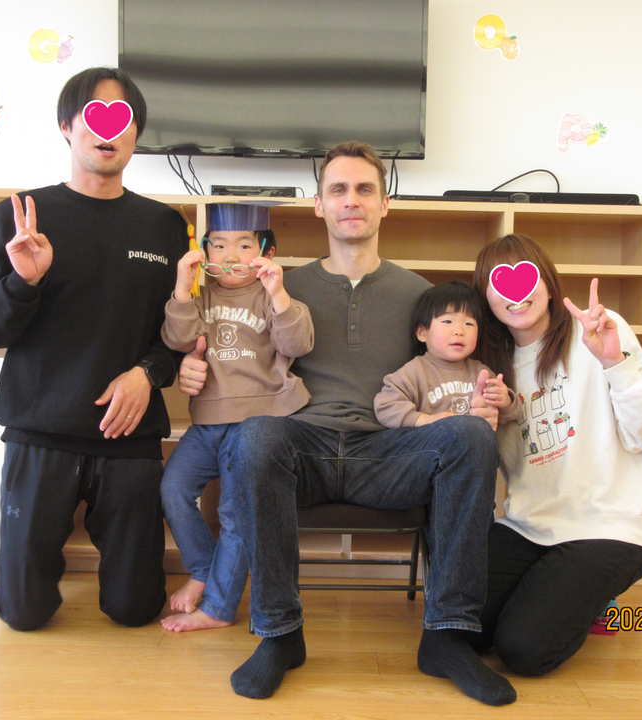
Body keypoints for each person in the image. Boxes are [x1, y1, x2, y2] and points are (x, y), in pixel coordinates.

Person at [178, 141, 517, 706]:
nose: (351, 200)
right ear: (319, 205)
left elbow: (454, 368)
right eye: (338, 189)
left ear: (385, 204)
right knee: (256, 435)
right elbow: (230, 349)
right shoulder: (280, 286)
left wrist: (483, 402)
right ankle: (279, 635)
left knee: (470, 436)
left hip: (390, 453)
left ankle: (448, 636)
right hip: (302, 446)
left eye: (364, 189)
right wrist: (193, 368)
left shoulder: (420, 295)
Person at [0, 67, 189, 631]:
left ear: (136, 134)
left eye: (122, 119)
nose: (109, 131)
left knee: (136, 610)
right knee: (22, 614)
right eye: (94, 115)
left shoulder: (164, 226)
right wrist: (23, 282)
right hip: (40, 435)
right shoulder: (20, 216)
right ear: (67, 126)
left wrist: (146, 372)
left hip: (129, 439)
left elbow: (178, 335)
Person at [471, 233, 642, 675]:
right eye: (499, 282)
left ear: (548, 285)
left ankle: (595, 601)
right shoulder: (491, 365)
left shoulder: (599, 333)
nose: (516, 292)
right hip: (531, 523)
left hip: (611, 524)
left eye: (526, 276)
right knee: (462, 627)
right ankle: (567, 592)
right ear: (485, 298)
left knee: (522, 650)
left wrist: (614, 362)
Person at [159, 203, 313, 632]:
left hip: (256, 426)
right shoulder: (201, 298)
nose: (230, 256)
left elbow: (297, 343)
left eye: (244, 246)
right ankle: (203, 570)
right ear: (205, 251)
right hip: (208, 424)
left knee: (234, 512)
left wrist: (278, 292)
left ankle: (218, 608)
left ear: (266, 252)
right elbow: (178, 338)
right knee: (172, 488)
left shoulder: (273, 298)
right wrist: (182, 287)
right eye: (219, 246)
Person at [373, 280, 512, 429]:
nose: (459, 331)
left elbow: (511, 415)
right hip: (435, 442)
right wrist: (426, 420)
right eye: (447, 321)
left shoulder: (481, 373)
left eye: (469, 324)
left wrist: (506, 402)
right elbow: (385, 406)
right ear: (422, 333)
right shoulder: (415, 371)